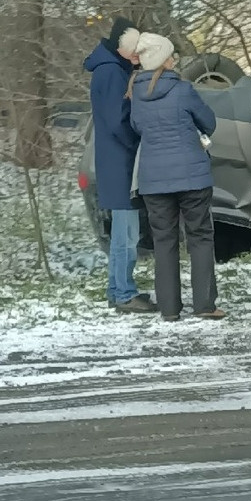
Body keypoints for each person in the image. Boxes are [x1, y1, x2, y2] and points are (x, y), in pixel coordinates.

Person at [128, 32, 225, 321]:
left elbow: (136, 129)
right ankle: (205, 305)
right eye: (170, 55)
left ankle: (170, 309)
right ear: (163, 60)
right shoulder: (183, 90)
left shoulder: (136, 95)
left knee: (164, 242)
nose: (174, 59)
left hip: (154, 181)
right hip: (192, 177)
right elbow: (209, 122)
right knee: (199, 238)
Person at [85, 16, 157, 314]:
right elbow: (118, 120)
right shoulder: (113, 73)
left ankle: (118, 290)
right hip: (120, 162)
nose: (139, 55)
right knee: (127, 234)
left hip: (112, 161)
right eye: (135, 49)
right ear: (123, 47)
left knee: (121, 234)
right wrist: (138, 139)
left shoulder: (108, 70)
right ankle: (124, 293)